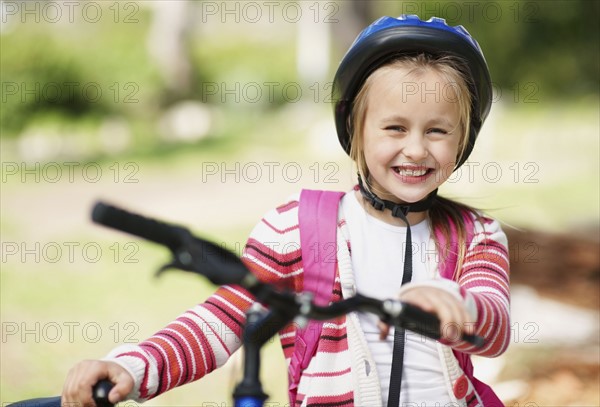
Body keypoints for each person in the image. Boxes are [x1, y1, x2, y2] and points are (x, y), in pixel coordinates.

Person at [62, 15, 510, 406]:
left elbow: (495, 326)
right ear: (355, 128)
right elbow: (223, 318)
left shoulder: (477, 234)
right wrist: (136, 368)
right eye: (395, 127)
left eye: (437, 131)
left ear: (462, 140)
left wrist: (459, 307)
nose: (415, 149)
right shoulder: (298, 227)